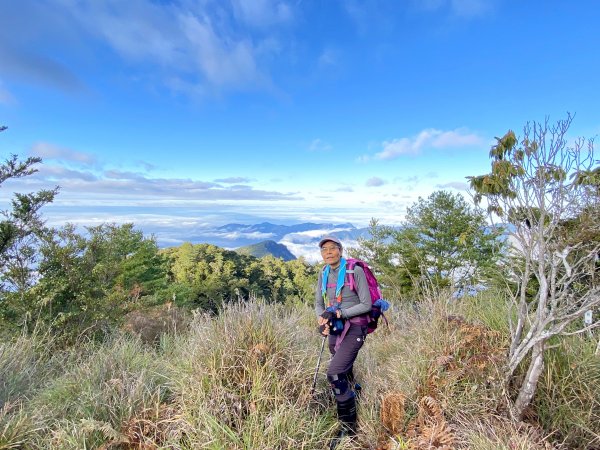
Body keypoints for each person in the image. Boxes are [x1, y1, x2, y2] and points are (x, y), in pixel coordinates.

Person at [315, 235, 371, 449]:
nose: (328, 252)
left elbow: (366, 304)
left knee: (335, 372)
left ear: (340, 250)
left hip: (355, 326)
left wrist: (340, 312)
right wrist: (323, 319)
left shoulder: (353, 271)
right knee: (338, 360)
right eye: (324, 250)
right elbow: (319, 304)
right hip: (337, 326)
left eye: (332, 248)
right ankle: (353, 391)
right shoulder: (324, 273)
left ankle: (349, 428)